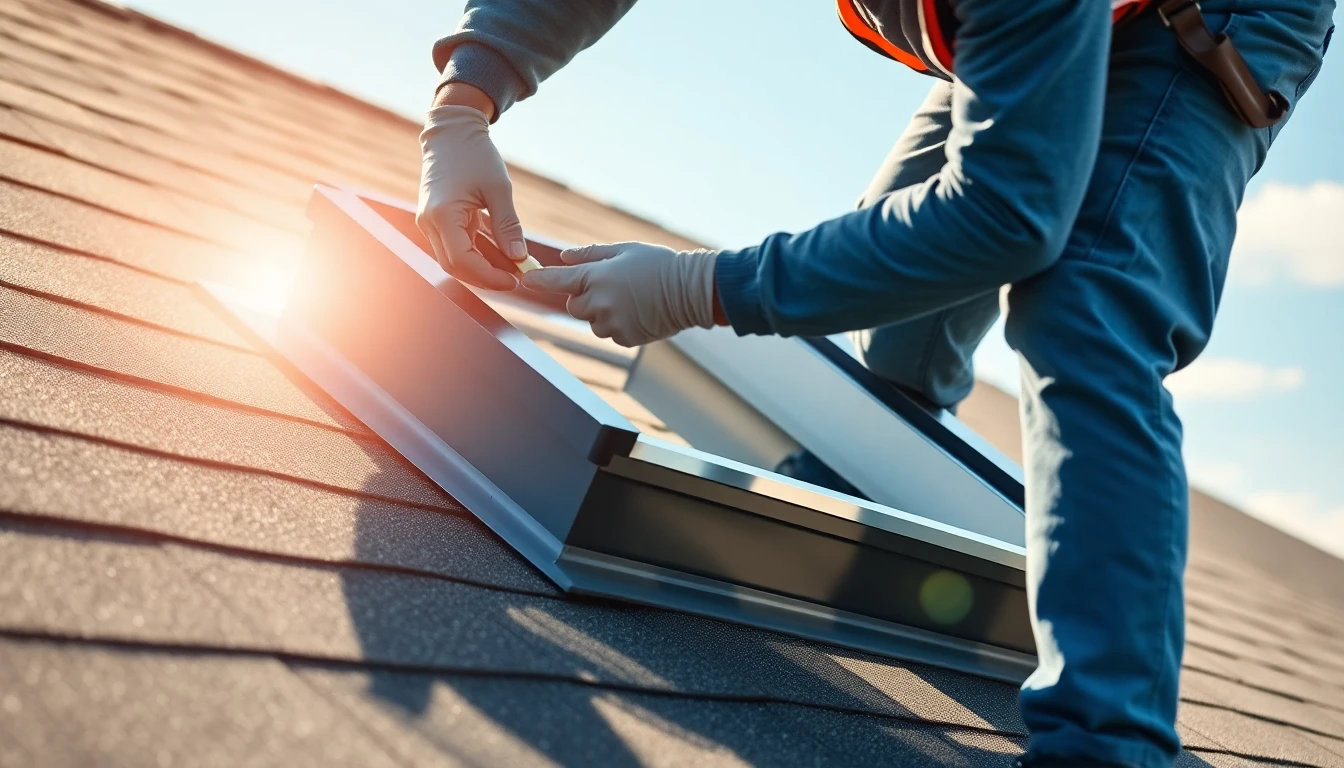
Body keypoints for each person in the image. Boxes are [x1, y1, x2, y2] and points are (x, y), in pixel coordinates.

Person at [416, 2, 1334, 766]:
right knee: (898, 338)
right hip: (1042, 23)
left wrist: (698, 286)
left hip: (1203, 20)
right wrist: (465, 101)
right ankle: (866, 548)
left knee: (1087, 310)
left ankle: (1106, 742)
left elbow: (1007, 215)